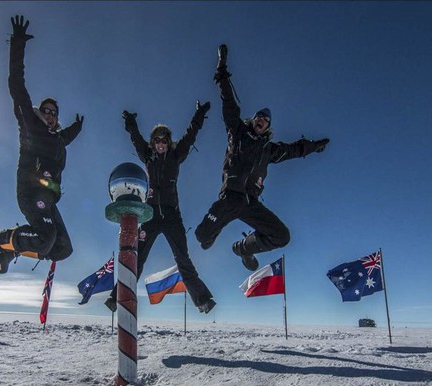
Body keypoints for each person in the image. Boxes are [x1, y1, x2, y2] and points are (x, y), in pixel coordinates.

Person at [195, 44, 329, 271]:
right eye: (259, 117)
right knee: (202, 238)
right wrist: (222, 72)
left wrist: (314, 146)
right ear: (253, 119)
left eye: (266, 121)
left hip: (251, 203)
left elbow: (294, 149)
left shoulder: (269, 149)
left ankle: (243, 249)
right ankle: (213, 230)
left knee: (282, 236)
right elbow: (229, 104)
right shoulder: (238, 132)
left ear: (268, 128)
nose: (262, 121)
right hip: (230, 198)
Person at [0, 15, 84, 274]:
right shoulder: (30, 124)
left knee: (62, 249)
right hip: (30, 191)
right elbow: (17, 86)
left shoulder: (57, 138)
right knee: (45, 238)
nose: (49, 114)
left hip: (48, 199)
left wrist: (77, 127)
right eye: (46, 110)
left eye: (54, 112)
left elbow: (65, 137)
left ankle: (10, 247)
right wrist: (17, 44)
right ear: (39, 111)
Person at [105, 103, 217, 314]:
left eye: (164, 139)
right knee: (138, 257)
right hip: (151, 215)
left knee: (182, 258)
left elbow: (190, 135)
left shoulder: (176, 155)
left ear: (169, 142)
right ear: (153, 142)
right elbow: (136, 139)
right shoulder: (148, 157)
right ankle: (116, 297)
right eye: (157, 139)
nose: (160, 143)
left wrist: (200, 114)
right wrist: (130, 122)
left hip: (173, 215)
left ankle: (202, 300)